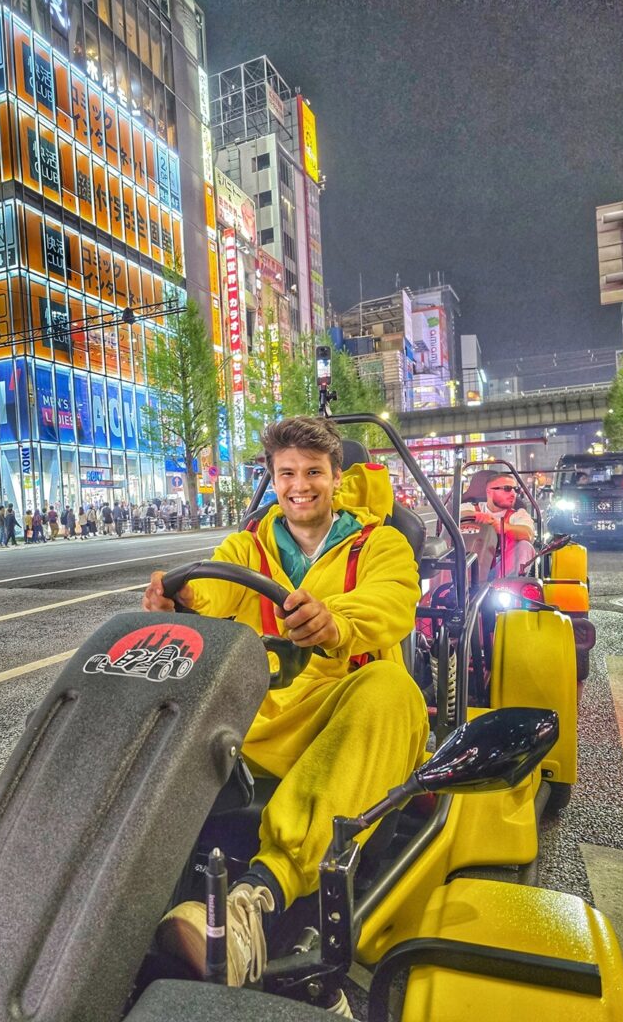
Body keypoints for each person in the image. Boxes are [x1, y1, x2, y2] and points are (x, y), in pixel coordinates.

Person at [143, 416, 427, 998]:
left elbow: (392, 601)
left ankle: (255, 901)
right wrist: (181, 598)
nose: (301, 485)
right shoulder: (245, 547)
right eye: (288, 473)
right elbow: (213, 593)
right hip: (256, 721)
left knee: (394, 690)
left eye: (314, 472)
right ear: (273, 480)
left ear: (336, 477)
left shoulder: (380, 543)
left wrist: (336, 621)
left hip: (342, 718)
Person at [459, 473, 536, 577]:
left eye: (515, 489)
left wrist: (503, 527)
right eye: (507, 488)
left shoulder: (518, 514)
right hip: (465, 570)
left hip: (500, 572)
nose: (513, 494)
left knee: (525, 545)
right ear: (489, 491)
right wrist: (477, 516)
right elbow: (456, 514)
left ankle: (508, 587)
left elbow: (528, 534)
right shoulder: (469, 507)